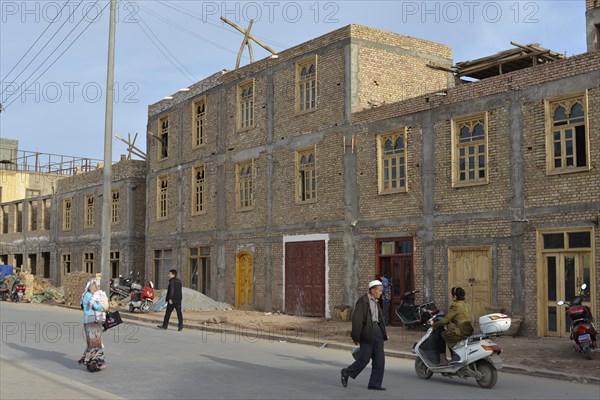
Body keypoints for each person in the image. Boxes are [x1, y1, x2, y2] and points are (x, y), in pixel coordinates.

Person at [340, 280, 388, 391]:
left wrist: (383, 333)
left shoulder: (376, 301)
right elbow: (357, 320)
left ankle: (374, 384)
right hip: (367, 333)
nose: (381, 293)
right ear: (373, 291)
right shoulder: (362, 302)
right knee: (364, 359)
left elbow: (379, 319)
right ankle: (346, 372)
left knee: (380, 360)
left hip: (377, 332)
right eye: (380, 291)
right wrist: (356, 337)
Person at [430, 286, 474, 364]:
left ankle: (443, 359)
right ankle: (454, 357)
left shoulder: (456, 305)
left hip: (462, 330)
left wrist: (434, 324)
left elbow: (445, 320)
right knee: (450, 335)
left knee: (442, 335)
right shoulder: (467, 304)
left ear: (455, 296)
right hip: (469, 329)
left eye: (452, 295)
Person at [78, 282, 107, 372]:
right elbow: (95, 306)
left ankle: (89, 361)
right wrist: (103, 308)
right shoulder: (88, 295)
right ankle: (90, 361)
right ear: (91, 288)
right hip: (91, 321)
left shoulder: (87, 295)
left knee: (93, 343)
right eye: (95, 288)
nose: (96, 290)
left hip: (91, 320)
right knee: (94, 344)